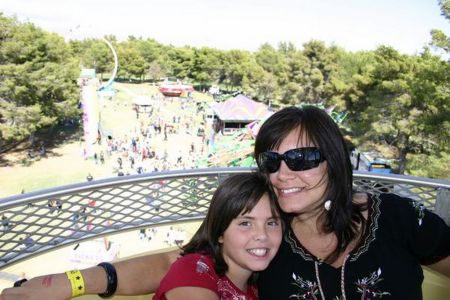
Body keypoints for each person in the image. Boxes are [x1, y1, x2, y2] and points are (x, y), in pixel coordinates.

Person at [2, 106, 450, 300]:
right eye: (272, 160)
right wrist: (75, 282)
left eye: (303, 158)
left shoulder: (397, 217)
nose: (283, 173)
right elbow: (183, 264)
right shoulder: (267, 232)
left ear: (333, 160)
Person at [153, 172, 282, 299]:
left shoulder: (261, 287)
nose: (262, 235)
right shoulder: (195, 269)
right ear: (220, 232)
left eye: (271, 223)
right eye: (245, 223)